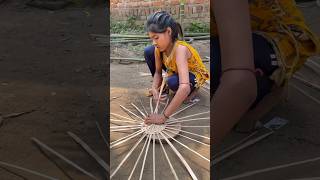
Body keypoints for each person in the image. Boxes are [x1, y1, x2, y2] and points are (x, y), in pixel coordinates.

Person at [212, 0, 320, 144]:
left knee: (219, 72)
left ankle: (270, 91)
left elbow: (239, 81)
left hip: (273, 34)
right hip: (227, 29)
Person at [143, 11, 210, 125]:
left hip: (193, 75)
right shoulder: (158, 49)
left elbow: (184, 87)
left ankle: (192, 93)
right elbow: (158, 72)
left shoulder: (180, 49)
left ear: (169, 31)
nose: (154, 42)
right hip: (175, 70)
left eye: (156, 37)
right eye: (151, 39)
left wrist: (163, 117)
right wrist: (154, 87)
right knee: (148, 51)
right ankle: (163, 88)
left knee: (173, 82)